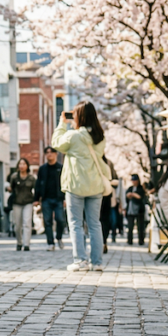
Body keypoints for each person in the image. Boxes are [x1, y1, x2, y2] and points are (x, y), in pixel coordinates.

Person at [51, 101, 107, 272]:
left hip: (75, 185)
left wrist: (62, 123)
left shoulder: (73, 136)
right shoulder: (100, 137)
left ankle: (80, 261)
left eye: (74, 114)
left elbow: (56, 143)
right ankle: (97, 262)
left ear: (79, 116)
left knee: (75, 223)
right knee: (94, 224)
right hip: (95, 185)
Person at [35, 146, 66, 251]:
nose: (49, 154)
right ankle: (50, 243)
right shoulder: (42, 169)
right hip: (46, 199)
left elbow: (65, 183)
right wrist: (36, 198)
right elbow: (38, 184)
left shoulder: (61, 168)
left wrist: (65, 198)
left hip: (59, 198)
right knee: (47, 221)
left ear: (56, 154)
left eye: (52, 152)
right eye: (47, 152)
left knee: (60, 220)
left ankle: (59, 237)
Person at [8, 158, 36, 251]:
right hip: (17, 202)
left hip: (28, 202)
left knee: (27, 223)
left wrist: (36, 200)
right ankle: (19, 242)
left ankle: (26, 244)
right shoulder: (14, 177)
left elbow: (35, 189)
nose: (22, 166)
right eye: (20, 164)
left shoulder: (31, 178)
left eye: (24, 164)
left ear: (27, 166)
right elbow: (11, 188)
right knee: (17, 225)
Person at [124, 174, 148, 246]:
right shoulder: (130, 188)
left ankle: (141, 240)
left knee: (140, 226)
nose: (134, 182)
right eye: (133, 180)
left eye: (135, 180)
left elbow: (141, 197)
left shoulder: (141, 188)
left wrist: (134, 195)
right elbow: (126, 197)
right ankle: (129, 240)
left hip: (139, 209)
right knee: (130, 226)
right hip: (130, 209)